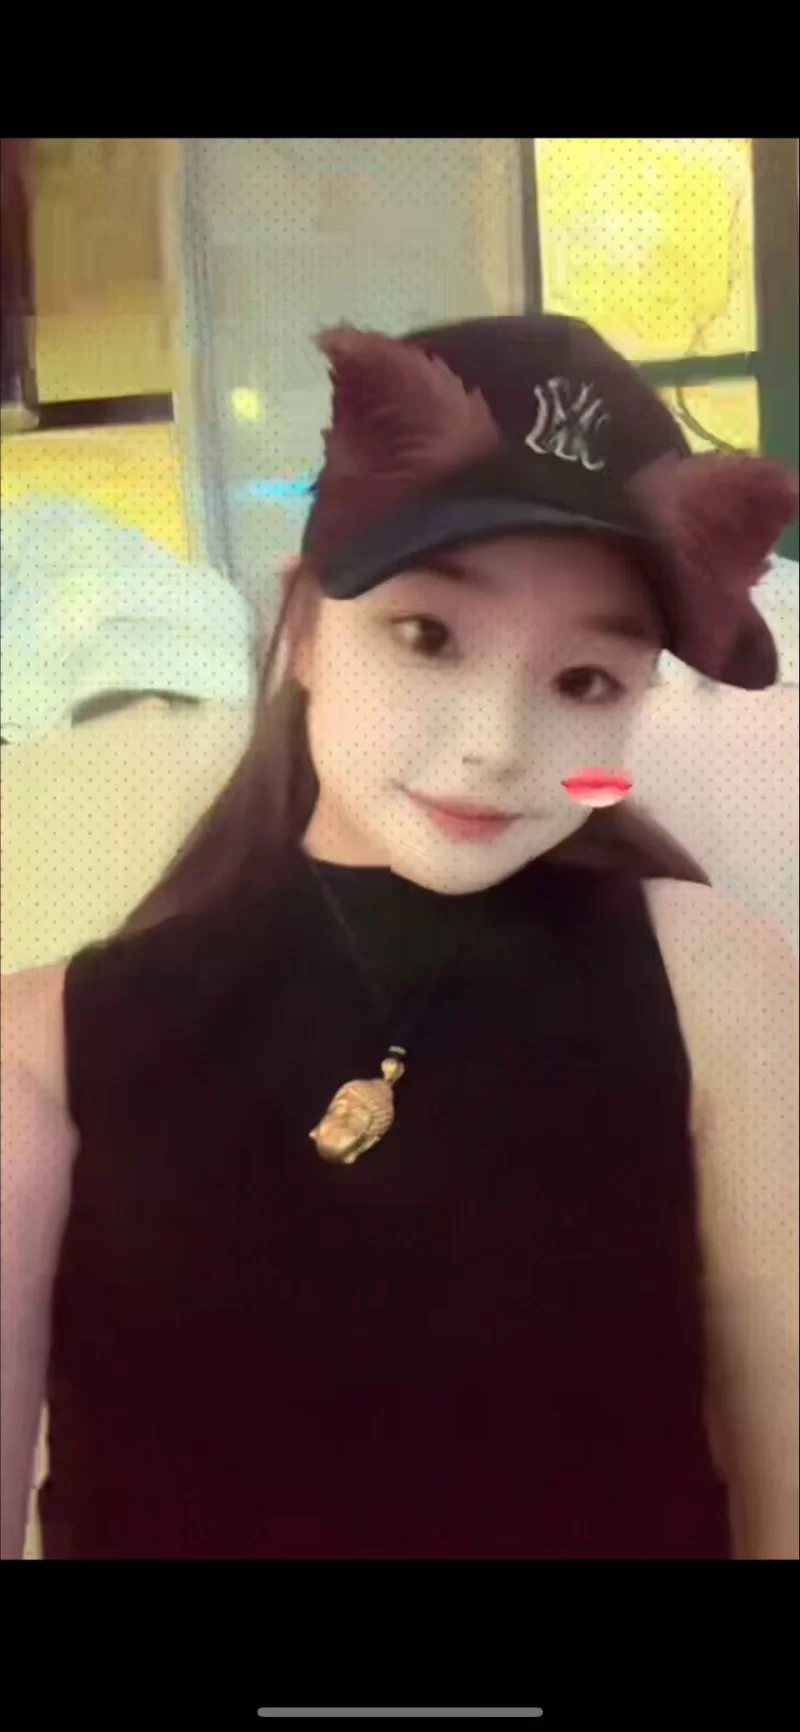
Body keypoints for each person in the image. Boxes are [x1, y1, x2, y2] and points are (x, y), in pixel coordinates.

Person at [2, 314, 797, 1561]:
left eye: (584, 680)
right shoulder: (41, 1049)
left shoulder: (716, 981)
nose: (494, 744)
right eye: (427, 636)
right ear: (305, 628)